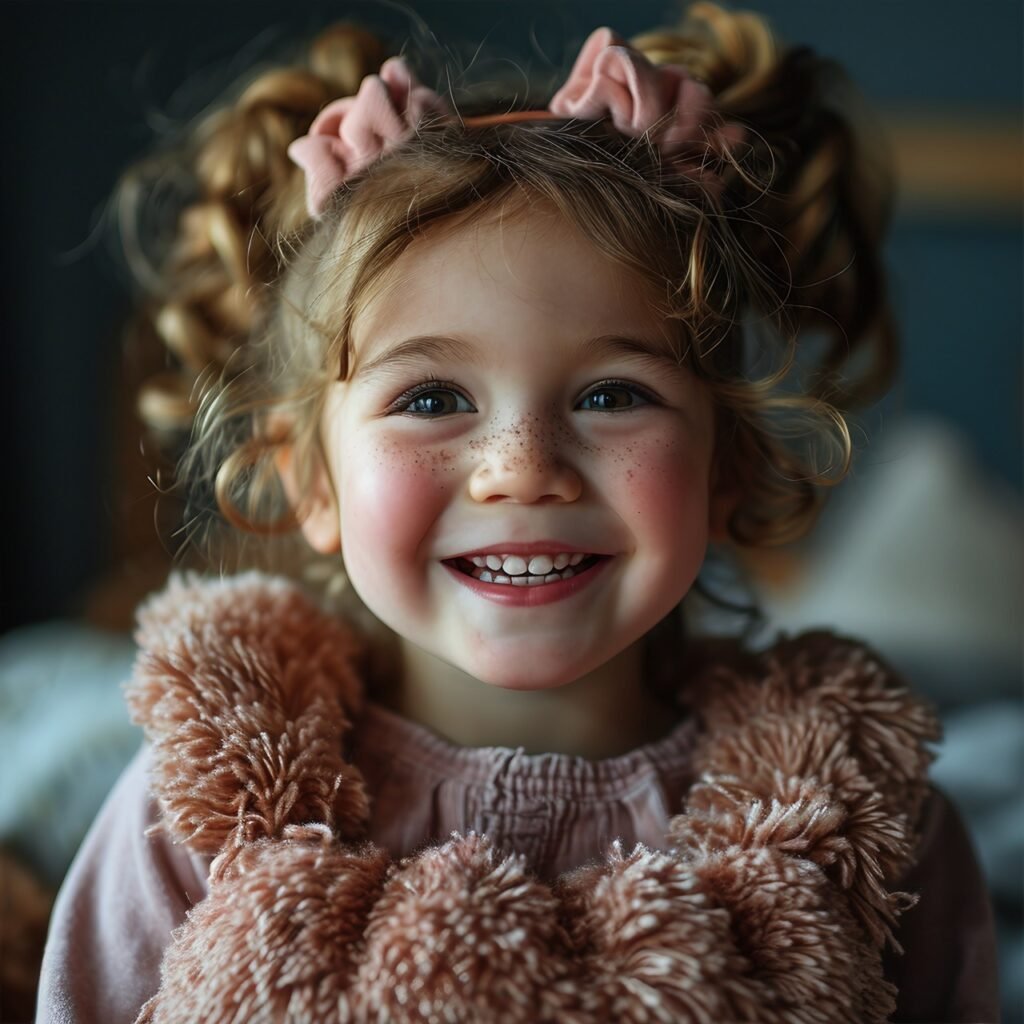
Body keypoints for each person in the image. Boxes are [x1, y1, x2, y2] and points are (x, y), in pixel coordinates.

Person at [37, 5, 999, 1022]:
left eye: (610, 394)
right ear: (309, 481)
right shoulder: (197, 814)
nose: (521, 472)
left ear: (727, 467)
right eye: (430, 399)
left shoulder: (861, 827)